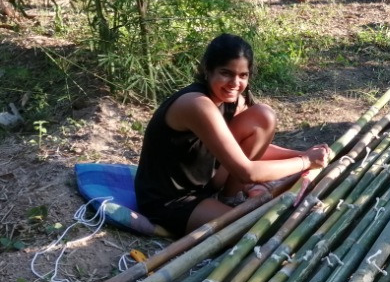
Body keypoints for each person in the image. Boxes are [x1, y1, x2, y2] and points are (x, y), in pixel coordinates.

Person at [135, 33, 332, 236]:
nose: (234, 83)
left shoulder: (232, 101)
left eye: (243, 75)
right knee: (261, 230)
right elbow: (247, 172)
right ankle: (222, 206)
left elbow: (240, 148)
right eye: (226, 73)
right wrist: (305, 161)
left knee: (263, 116)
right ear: (207, 70)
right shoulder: (196, 105)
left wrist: (300, 154)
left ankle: (229, 197)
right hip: (172, 200)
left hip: (206, 183)